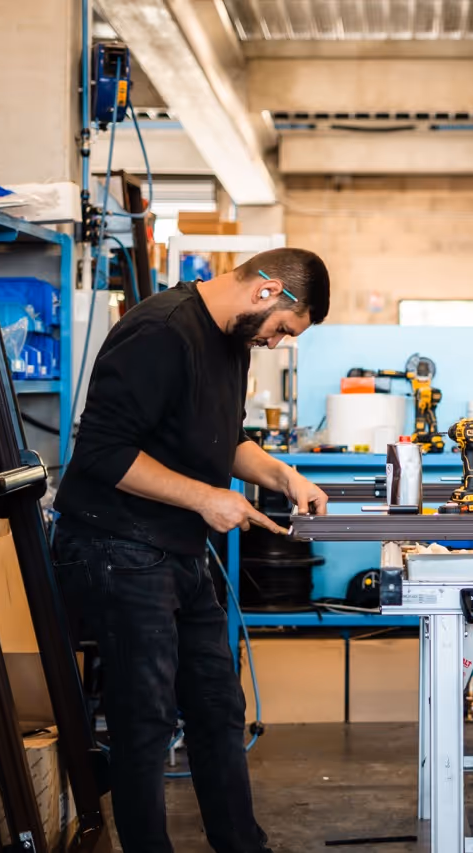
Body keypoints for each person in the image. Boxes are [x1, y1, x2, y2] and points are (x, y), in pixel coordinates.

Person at [52, 248, 332, 852]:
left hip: (177, 548)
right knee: (146, 719)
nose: (276, 343)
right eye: (283, 329)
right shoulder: (160, 331)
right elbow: (101, 454)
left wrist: (285, 477)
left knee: (217, 706)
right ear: (266, 290)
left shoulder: (232, 341)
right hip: (115, 544)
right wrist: (206, 498)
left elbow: (224, 437)